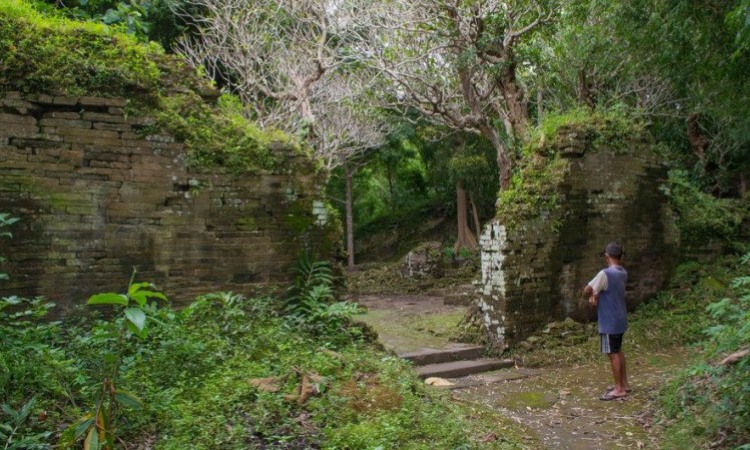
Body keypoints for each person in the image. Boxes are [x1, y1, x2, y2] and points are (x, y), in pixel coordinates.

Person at [582, 242, 630, 401]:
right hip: (620, 318)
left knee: (613, 353)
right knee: (619, 350)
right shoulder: (623, 272)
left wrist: (591, 293)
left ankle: (619, 389)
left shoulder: (605, 274)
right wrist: (598, 293)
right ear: (621, 257)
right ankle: (624, 384)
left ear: (606, 256)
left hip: (609, 320)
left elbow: (587, 289)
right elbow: (608, 290)